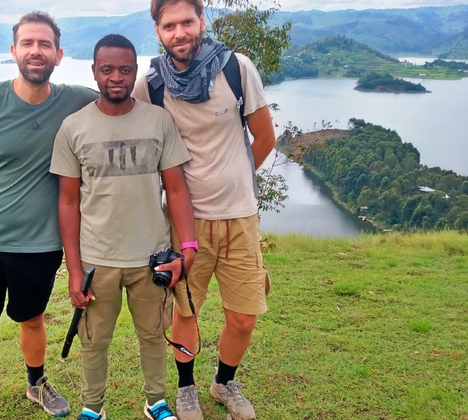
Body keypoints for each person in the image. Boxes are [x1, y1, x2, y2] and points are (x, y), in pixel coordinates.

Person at [0, 11, 99, 420]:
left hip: (39, 244)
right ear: (13, 51)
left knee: (32, 319)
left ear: (59, 55)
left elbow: (123, 94)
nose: (36, 51)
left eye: (44, 44)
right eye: (27, 43)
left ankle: (36, 383)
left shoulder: (76, 100)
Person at [132, 1, 276, 419]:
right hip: (185, 225)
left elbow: (264, 138)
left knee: (244, 316)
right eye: (170, 25)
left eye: (187, 22)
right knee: (186, 309)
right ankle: (187, 388)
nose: (180, 32)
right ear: (158, 31)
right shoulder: (152, 84)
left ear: (202, 22)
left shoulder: (236, 69)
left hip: (239, 218)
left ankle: (224, 381)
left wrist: (232, 179)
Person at [50, 34, 197, 420]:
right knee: (94, 341)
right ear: (95, 71)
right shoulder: (73, 127)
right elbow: (67, 202)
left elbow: (177, 188)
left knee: (153, 336)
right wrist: (74, 269)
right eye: (108, 69)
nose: (117, 77)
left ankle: (156, 403)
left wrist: (188, 249)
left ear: (135, 71)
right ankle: (92, 409)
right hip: (98, 259)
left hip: (152, 257)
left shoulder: (158, 120)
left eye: (126, 69)